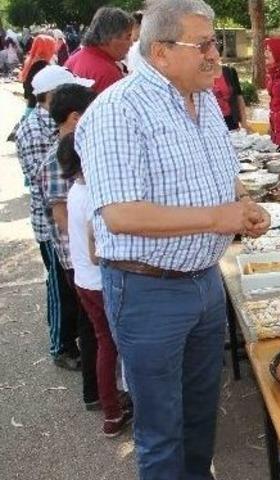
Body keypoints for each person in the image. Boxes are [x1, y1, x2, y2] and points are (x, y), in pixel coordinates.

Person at [75, 0, 270, 476]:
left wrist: (243, 203)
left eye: (216, 43)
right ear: (160, 52)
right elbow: (120, 215)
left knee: (200, 418)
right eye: (202, 44)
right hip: (148, 290)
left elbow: (222, 174)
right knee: (163, 432)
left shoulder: (202, 99)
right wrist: (217, 218)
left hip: (203, 282)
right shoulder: (117, 111)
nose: (215, 55)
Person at [16, 66, 94, 372]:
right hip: (56, 230)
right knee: (60, 291)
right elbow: (51, 186)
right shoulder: (36, 131)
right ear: (51, 96)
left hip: (69, 230)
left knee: (74, 297)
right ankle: (61, 345)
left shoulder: (48, 124)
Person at [61, 130, 133, 437]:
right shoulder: (94, 196)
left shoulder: (75, 190)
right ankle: (115, 411)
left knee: (103, 341)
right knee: (114, 345)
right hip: (100, 282)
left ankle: (112, 405)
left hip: (82, 281)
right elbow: (96, 254)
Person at [41, 83, 102, 414]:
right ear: (76, 117)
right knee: (91, 329)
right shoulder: (58, 158)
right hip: (77, 257)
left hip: (83, 255)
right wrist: (91, 243)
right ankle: (95, 393)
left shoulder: (75, 146)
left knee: (93, 327)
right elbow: (62, 214)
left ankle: (100, 391)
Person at [65, 7, 134, 94]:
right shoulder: (107, 73)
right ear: (110, 37)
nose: (131, 43)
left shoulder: (73, 58)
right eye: (128, 37)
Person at [19, 34, 56, 113]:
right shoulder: (42, 65)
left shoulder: (30, 60)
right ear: (48, 47)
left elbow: (26, 85)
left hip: (30, 105)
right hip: (38, 109)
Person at [214, 62, 248, 131]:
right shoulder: (199, 74)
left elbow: (239, 97)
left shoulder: (229, 71)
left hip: (230, 120)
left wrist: (244, 123)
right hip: (210, 122)